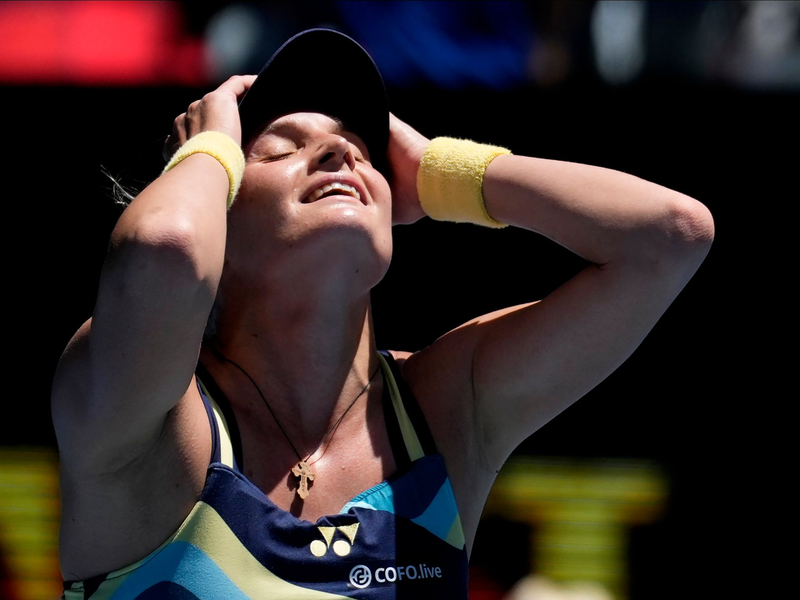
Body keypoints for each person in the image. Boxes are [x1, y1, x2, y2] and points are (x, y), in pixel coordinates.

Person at [52, 29, 714, 599]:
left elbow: (670, 237)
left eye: (363, 149)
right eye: (282, 146)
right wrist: (207, 145)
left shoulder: (446, 409)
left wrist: (437, 167)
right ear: (215, 201)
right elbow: (164, 248)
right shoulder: (158, 418)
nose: (342, 153)